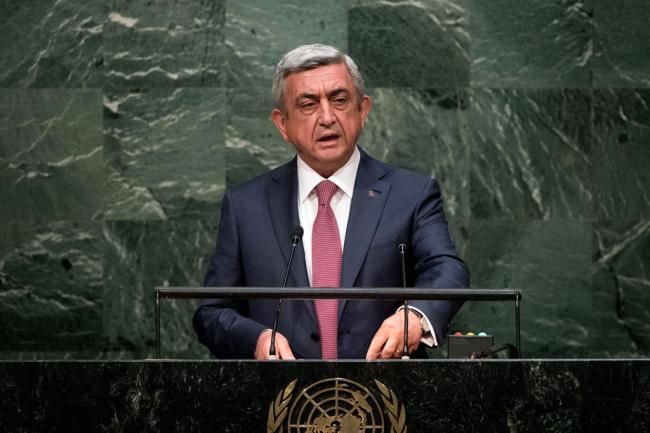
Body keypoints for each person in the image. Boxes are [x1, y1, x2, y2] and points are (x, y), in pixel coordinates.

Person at [193, 44, 469, 360]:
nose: (327, 118)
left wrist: (415, 316)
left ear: (363, 110)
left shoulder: (411, 194)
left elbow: (447, 268)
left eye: (339, 100)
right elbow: (212, 312)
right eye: (308, 105)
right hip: (281, 390)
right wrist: (255, 339)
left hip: (384, 388)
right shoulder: (245, 206)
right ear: (282, 124)